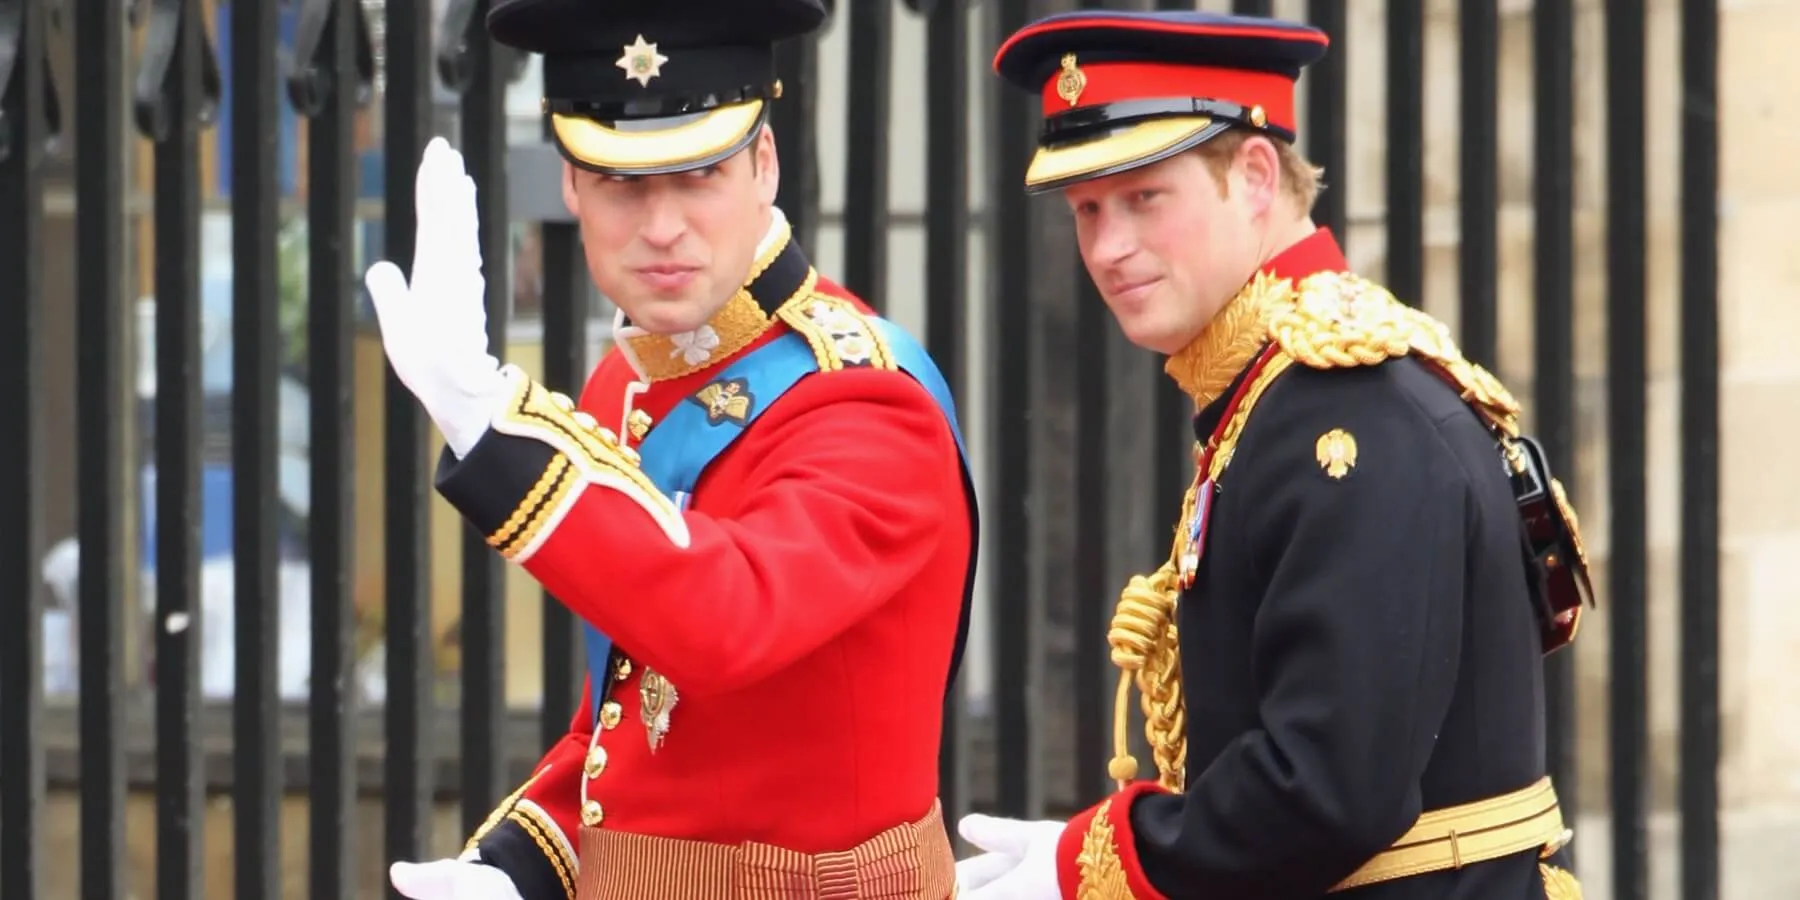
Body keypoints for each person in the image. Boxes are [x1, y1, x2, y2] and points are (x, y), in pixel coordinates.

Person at [954, 10, 1595, 900]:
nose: (1108, 249)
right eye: (1087, 211)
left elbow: (1329, 788)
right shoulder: (1277, 392)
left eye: (1145, 198)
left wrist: (1104, 863)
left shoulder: (1345, 409)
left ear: (1256, 175)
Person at [363, 1, 979, 897]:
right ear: (571, 187)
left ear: (764, 166)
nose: (661, 227)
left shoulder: (863, 395)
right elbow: (629, 729)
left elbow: (724, 618)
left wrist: (491, 427)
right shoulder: (630, 384)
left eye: (699, 177)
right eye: (621, 184)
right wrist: (521, 869)